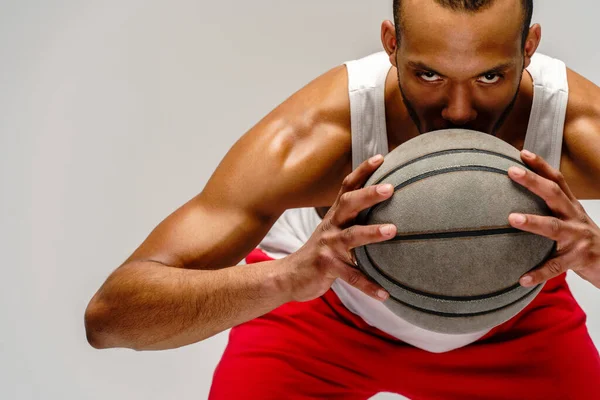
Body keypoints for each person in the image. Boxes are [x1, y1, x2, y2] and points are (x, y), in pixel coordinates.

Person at [84, 0, 600, 398]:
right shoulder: (319, 135)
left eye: (491, 76)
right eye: (428, 75)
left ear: (528, 47)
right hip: (323, 301)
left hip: (513, 310)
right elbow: (110, 317)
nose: (459, 112)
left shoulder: (579, 129)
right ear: (391, 44)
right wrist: (286, 278)